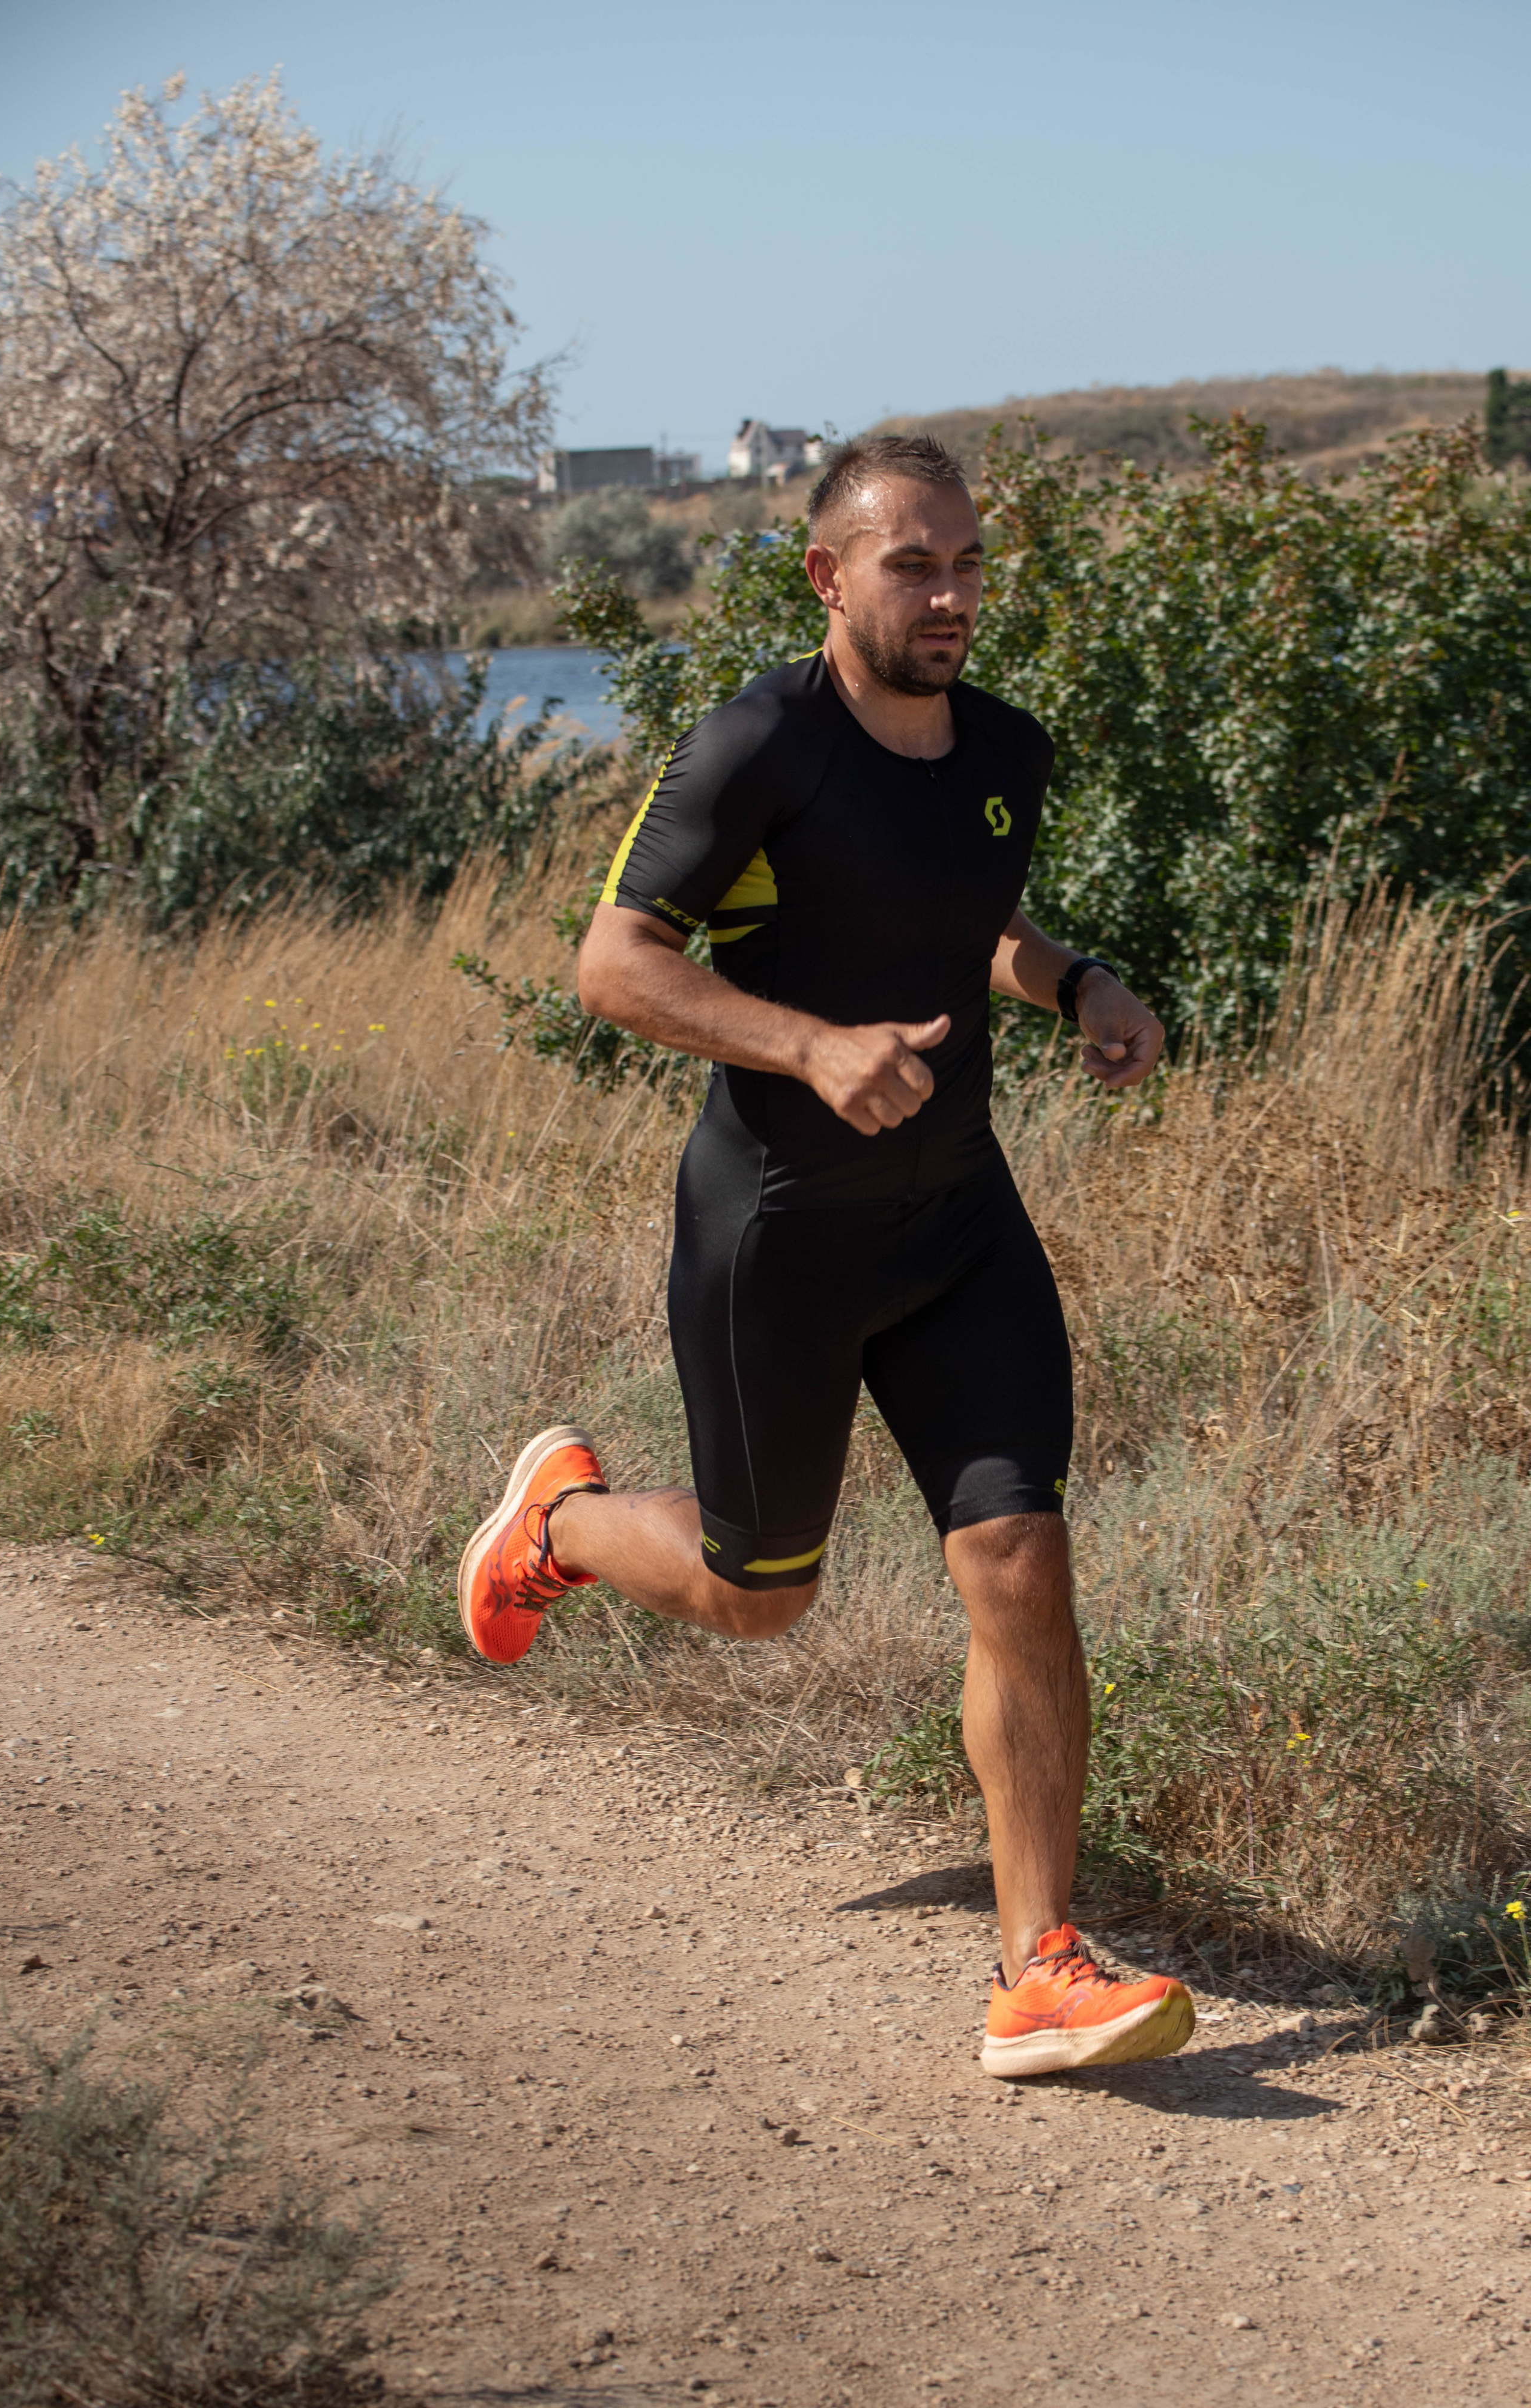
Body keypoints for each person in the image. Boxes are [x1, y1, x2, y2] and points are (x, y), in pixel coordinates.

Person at [457, 433, 1193, 2078]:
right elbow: (616, 963)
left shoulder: (1006, 746)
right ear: (828, 575)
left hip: (957, 1224)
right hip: (778, 1239)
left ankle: (1042, 1967)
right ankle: (560, 1521)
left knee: (1020, 1562)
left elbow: (968, 915)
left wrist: (1076, 986)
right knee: (755, 1595)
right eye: (912, 565)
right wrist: (808, 1045)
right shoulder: (760, 744)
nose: (949, 596)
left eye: (968, 565)